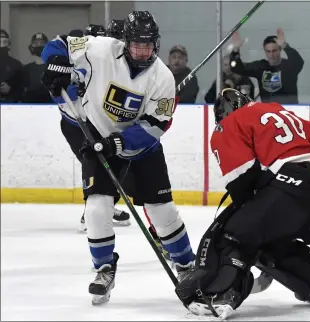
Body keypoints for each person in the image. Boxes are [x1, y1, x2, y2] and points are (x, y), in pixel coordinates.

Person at [41, 11, 196, 305]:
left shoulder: (162, 77)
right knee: (98, 208)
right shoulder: (99, 49)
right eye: (137, 45)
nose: (142, 51)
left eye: (148, 45)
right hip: (100, 141)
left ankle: (187, 266)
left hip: (143, 151)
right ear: (125, 42)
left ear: (156, 45)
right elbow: (60, 43)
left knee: (162, 212)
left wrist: (119, 142)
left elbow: (156, 126)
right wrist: (55, 62)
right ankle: (104, 269)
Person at [175, 88, 310, 319]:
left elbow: (242, 180)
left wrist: (252, 204)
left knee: (235, 233)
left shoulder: (228, 124)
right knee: (270, 239)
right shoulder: (275, 109)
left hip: (288, 186)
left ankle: (221, 294)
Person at [49, 29, 132, 233]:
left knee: (116, 165)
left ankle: (106, 206)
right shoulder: (80, 54)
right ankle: (91, 212)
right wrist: (57, 68)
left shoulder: (115, 63)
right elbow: (57, 88)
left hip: (97, 123)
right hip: (75, 124)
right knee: (95, 164)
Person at [229, 28, 304, 104]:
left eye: (274, 51)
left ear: (280, 50)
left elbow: (299, 62)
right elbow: (236, 68)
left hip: (289, 109)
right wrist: (235, 50)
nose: (271, 55)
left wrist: (285, 46)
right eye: (268, 51)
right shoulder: (261, 67)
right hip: (268, 111)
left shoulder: (289, 66)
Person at [22, 32, 52, 103]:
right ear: (31, 47)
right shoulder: (26, 68)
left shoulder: (54, 67)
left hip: (50, 106)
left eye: (42, 43)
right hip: (31, 106)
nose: (39, 45)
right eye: (36, 43)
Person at [0, 29, 25, 103]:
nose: (1, 45)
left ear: (8, 43)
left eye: (4, 42)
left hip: (10, 104)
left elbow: (22, 87)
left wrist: (10, 88)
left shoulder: (16, 64)